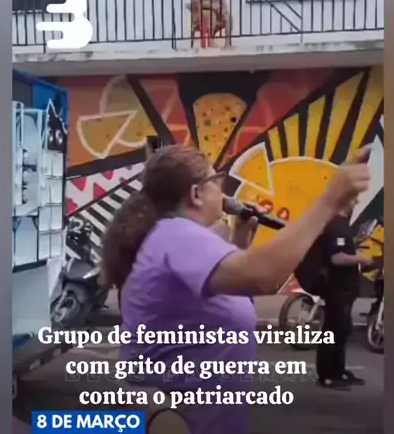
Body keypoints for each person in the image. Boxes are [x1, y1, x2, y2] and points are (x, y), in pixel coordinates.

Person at [102, 144, 371, 434]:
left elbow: (222, 301)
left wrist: (240, 243)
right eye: (217, 180)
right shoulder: (178, 235)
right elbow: (265, 276)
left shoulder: (175, 237)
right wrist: (329, 201)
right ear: (196, 194)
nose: (223, 190)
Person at [316, 205, 375, 390]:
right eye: (353, 198)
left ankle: (338, 371)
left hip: (345, 289)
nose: (356, 202)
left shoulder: (341, 224)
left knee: (342, 331)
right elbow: (337, 258)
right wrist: (362, 259)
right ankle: (327, 375)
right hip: (337, 289)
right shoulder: (335, 226)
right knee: (333, 331)